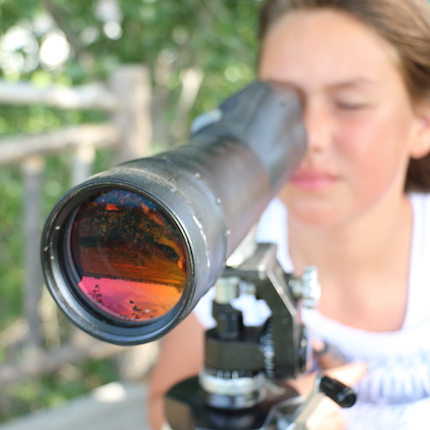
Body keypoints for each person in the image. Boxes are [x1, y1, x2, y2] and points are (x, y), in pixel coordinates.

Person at [147, 0, 430, 429]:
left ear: (422, 124)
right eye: (281, 103)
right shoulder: (218, 248)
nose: (309, 136)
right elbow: (164, 408)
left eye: (350, 103)